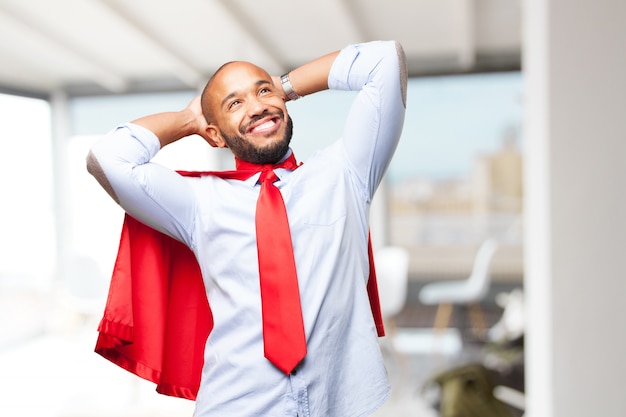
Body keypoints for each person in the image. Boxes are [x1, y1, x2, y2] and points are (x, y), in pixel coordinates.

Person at [87, 40, 407, 417]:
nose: (256, 106)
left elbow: (384, 61)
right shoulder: (198, 201)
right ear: (216, 135)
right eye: (234, 103)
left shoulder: (346, 172)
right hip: (236, 404)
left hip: (340, 402)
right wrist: (190, 120)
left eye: (262, 91)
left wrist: (283, 87)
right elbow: (107, 159)